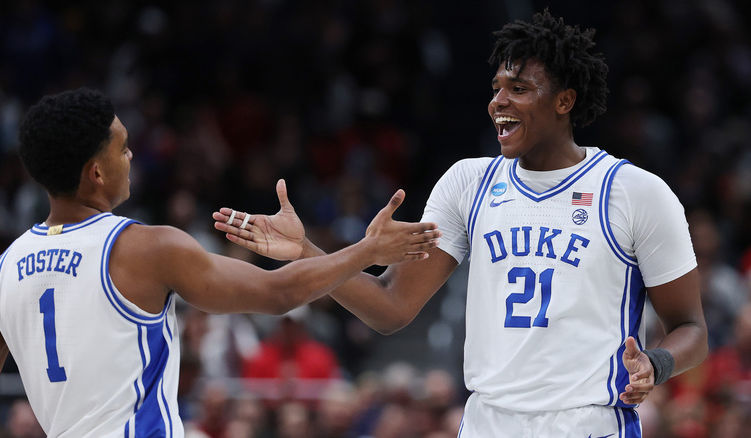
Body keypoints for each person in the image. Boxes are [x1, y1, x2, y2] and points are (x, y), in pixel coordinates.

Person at [213, 9, 708, 436]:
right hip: (487, 422)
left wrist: (656, 363)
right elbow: (391, 307)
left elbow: (691, 328)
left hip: (589, 423)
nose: (499, 102)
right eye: (497, 89)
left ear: (565, 101)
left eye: (519, 89)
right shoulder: (467, 182)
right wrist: (307, 251)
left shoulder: (635, 192)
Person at [0, 88, 441, 437]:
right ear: (96, 172)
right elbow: (278, 293)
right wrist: (367, 251)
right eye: (122, 147)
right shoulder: (142, 249)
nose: (131, 155)